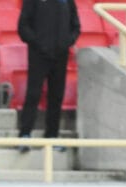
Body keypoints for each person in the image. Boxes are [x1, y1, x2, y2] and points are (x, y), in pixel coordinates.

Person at [16, 0, 80, 152]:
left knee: (56, 96)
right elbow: (23, 26)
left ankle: (52, 135)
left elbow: (75, 25)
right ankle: (24, 135)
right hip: (38, 54)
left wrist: (66, 42)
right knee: (33, 94)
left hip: (60, 55)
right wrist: (37, 43)